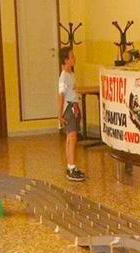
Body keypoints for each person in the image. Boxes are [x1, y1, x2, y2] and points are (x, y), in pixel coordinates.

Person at [58, 47, 86, 182]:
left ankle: (70, 166)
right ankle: (71, 167)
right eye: (72, 57)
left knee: (71, 137)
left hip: (73, 106)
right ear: (66, 60)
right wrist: (60, 114)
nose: (74, 58)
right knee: (72, 137)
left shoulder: (71, 74)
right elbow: (61, 95)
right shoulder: (64, 76)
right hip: (68, 108)